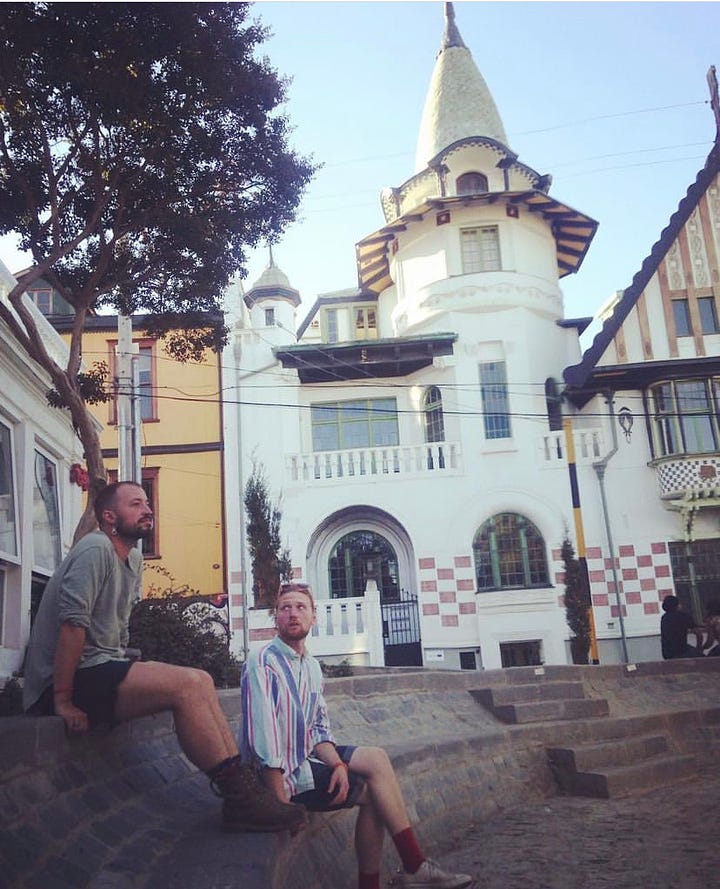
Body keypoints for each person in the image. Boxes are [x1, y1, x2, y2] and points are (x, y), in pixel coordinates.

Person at [23, 481, 305, 834]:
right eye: (136, 504)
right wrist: (63, 699)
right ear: (110, 517)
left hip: (101, 667)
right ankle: (241, 801)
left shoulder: (133, 559)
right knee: (185, 686)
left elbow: (117, 630)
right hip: (65, 680)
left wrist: (134, 662)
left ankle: (245, 790)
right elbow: (72, 625)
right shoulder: (95, 548)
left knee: (200, 679)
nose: (148, 509)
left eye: (147, 502)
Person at [241, 581, 474, 889]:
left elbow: (318, 729)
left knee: (376, 759)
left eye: (301, 607)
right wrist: (281, 806)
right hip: (281, 779)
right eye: (285, 608)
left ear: (313, 617)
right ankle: (408, 870)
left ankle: (411, 868)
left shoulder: (310, 666)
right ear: (276, 618)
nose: (293, 614)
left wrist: (338, 766)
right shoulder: (262, 661)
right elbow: (264, 738)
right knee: (376, 798)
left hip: (304, 758)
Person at [660, 595, 703, 659]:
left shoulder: (664, 618)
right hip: (682, 651)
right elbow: (699, 635)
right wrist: (699, 648)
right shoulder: (684, 616)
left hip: (667, 654)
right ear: (677, 605)